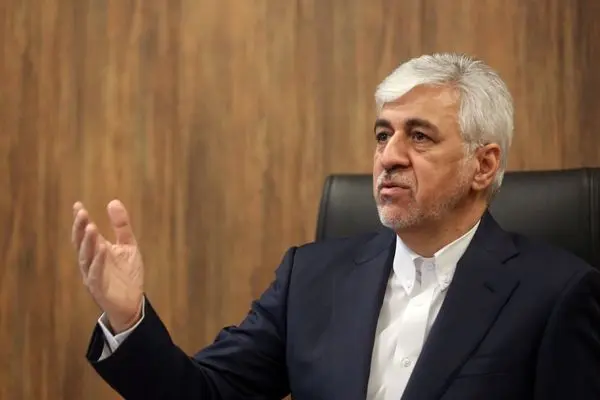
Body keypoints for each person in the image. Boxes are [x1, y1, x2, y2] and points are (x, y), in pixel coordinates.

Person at [73, 53, 600, 400]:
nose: (388, 157)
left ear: (483, 165)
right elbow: (206, 394)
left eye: (419, 137)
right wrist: (128, 318)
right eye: (382, 135)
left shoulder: (556, 293)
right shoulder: (310, 278)